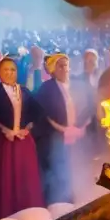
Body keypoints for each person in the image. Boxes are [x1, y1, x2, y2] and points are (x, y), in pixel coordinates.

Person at [0, 56, 45, 220]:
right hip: (7, 140)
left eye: (13, 70)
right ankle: (9, 214)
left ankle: (31, 212)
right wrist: (6, 130)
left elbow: (37, 111)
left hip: (24, 140)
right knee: (9, 176)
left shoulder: (24, 90)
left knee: (27, 176)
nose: (10, 73)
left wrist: (28, 128)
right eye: (5, 69)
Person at [36, 53, 91, 204]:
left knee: (75, 165)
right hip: (55, 136)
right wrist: (62, 129)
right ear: (53, 70)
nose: (64, 69)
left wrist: (80, 125)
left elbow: (87, 105)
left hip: (77, 134)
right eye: (60, 66)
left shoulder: (76, 84)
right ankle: (58, 202)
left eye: (66, 65)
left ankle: (74, 197)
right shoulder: (46, 89)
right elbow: (44, 113)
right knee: (59, 168)